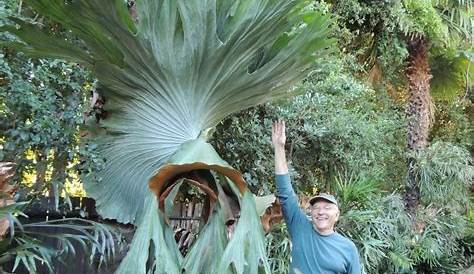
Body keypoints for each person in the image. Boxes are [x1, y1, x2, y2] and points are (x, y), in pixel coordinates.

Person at [271, 120, 361, 274]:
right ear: (311, 212)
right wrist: (279, 148)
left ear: (337, 215)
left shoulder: (348, 248)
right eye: (316, 207)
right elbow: (285, 192)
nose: (321, 211)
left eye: (327, 207)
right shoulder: (299, 227)